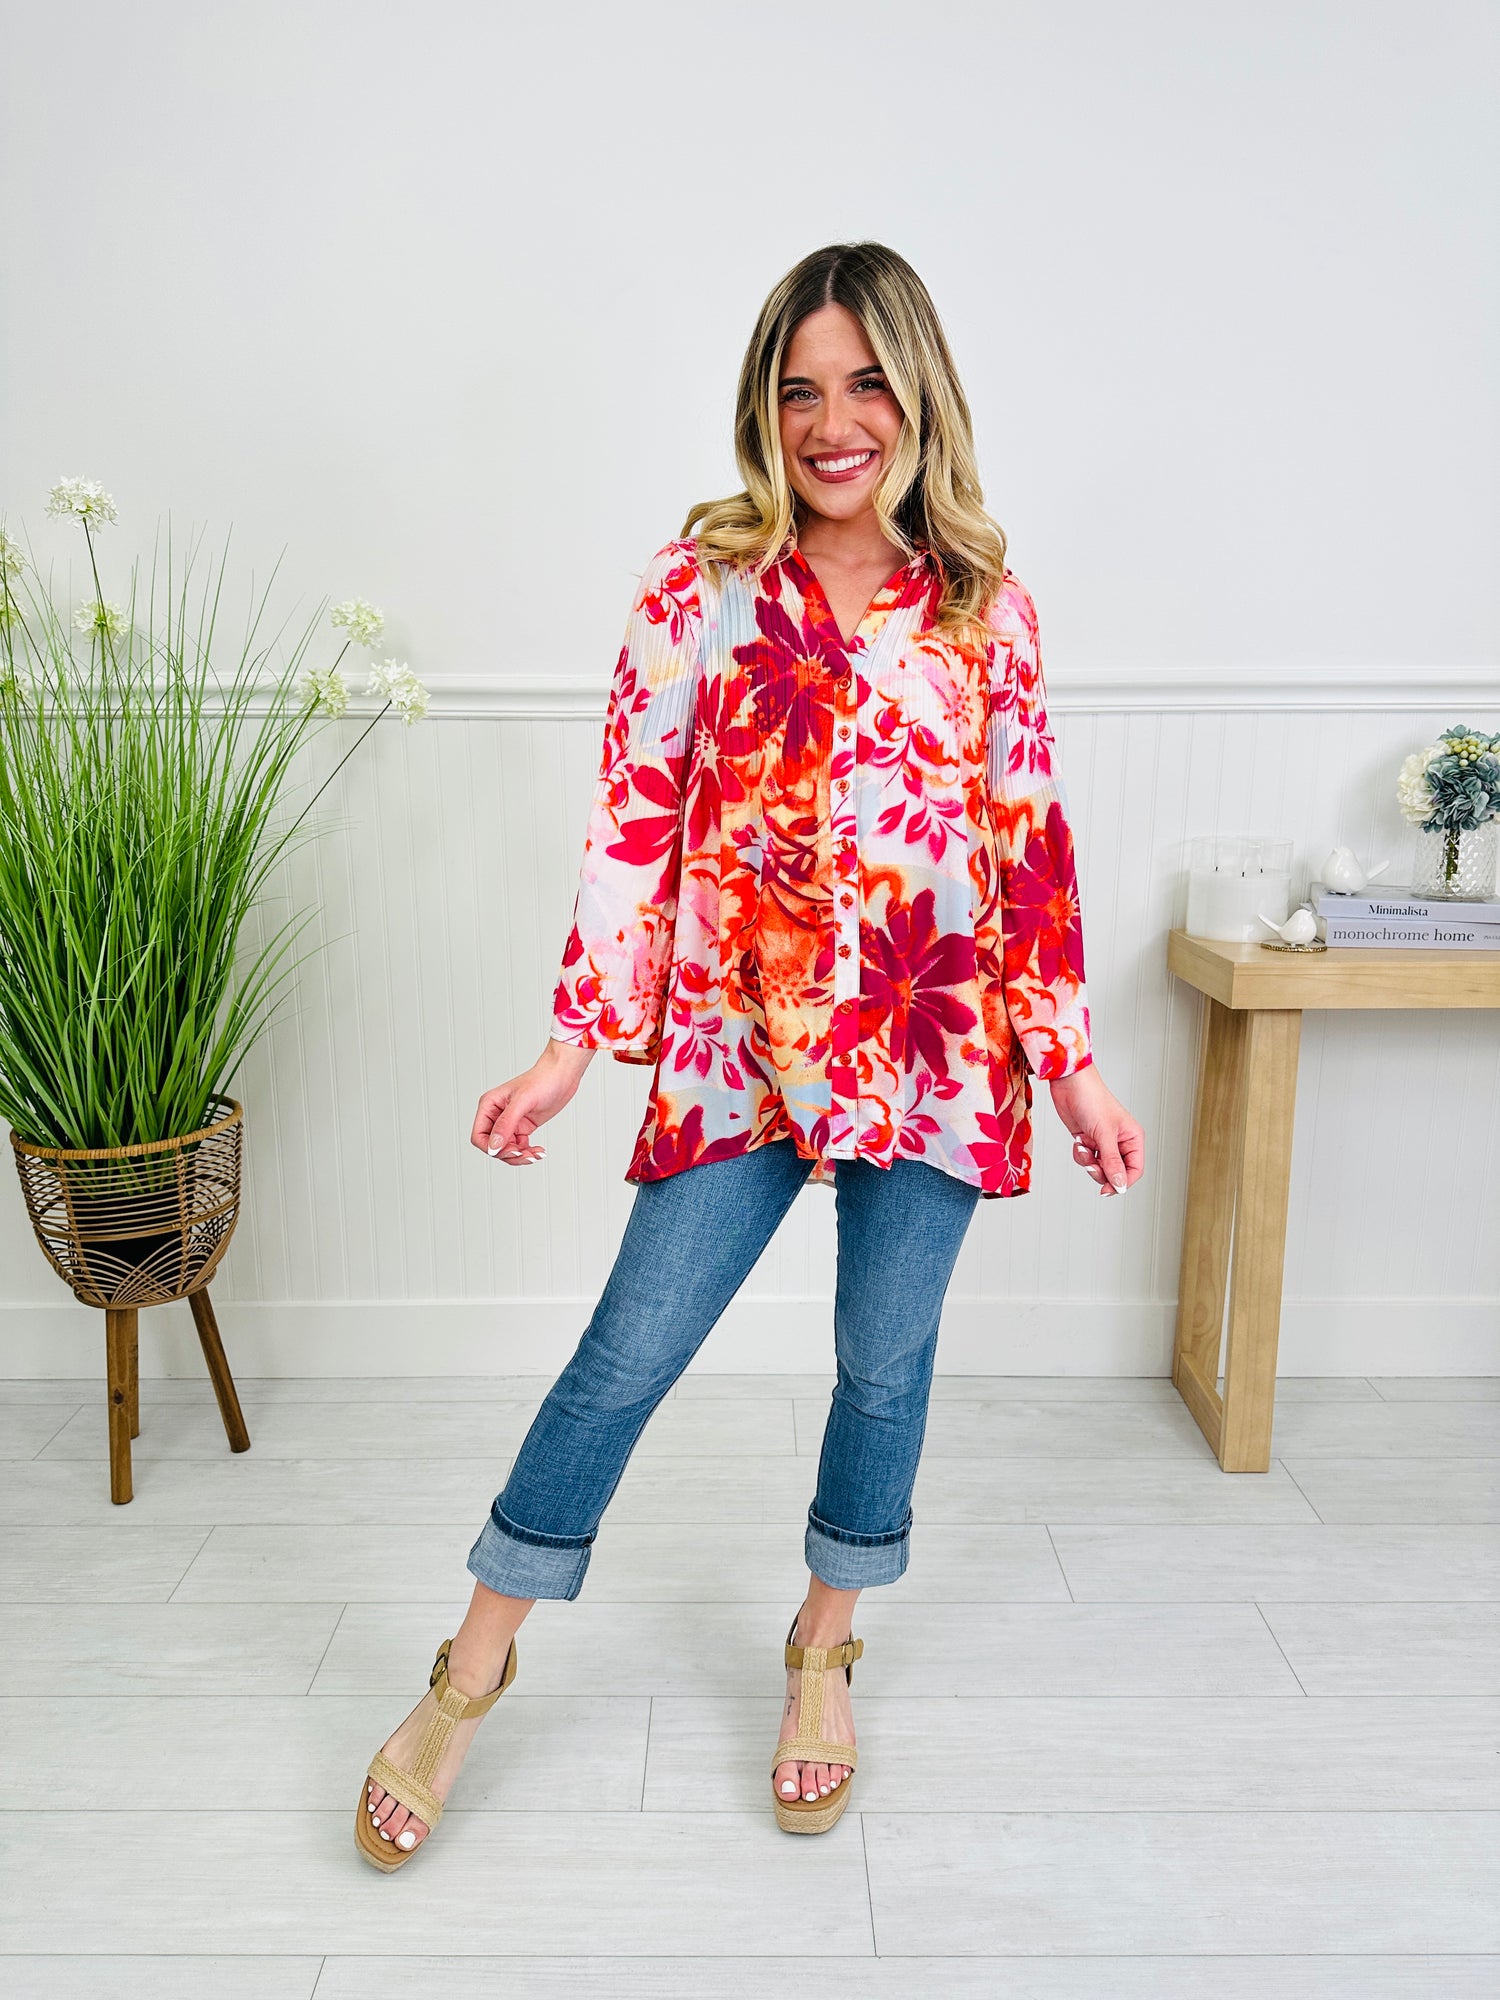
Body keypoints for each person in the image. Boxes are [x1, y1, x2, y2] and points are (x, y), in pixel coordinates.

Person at [356, 240, 1145, 1869]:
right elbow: (633, 828)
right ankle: (470, 1666)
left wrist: (1069, 1067)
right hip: (736, 1047)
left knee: (883, 1366)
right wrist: (574, 1049)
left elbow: (1028, 850)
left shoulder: (987, 610)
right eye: (799, 391)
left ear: (919, 397)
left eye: (864, 385)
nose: (832, 423)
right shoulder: (700, 586)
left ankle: (823, 1649)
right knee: (626, 1355)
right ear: (763, 410)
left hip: (933, 1047)